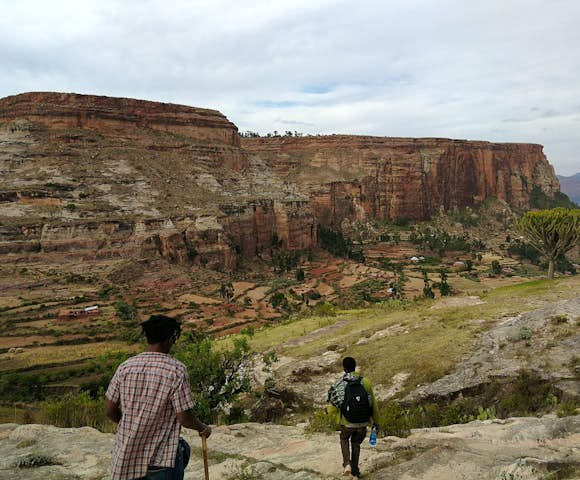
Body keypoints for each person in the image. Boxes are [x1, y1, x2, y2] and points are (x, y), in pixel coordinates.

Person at [105, 314, 211, 480]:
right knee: (183, 449)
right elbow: (184, 417)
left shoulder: (125, 367)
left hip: (127, 453)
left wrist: (134, 426)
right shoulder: (176, 370)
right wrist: (202, 428)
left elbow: (110, 411)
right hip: (160, 458)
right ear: (171, 338)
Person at [327, 357, 379, 478]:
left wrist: (329, 412)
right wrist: (376, 422)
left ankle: (347, 464)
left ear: (344, 368)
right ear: (355, 366)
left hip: (347, 423)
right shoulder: (365, 381)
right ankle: (355, 469)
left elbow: (335, 404)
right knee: (356, 443)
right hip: (363, 422)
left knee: (344, 439)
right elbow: (373, 404)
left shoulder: (340, 384)